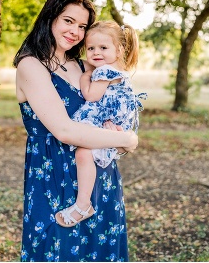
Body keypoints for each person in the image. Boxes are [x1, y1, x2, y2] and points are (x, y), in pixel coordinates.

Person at [15, 0, 138, 261]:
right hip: (53, 176)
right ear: (50, 18)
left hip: (98, 175)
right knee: (57, 250)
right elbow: (64, 130)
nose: (75, 31)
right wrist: (128, 140)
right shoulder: (31, 66)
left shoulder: (85, 66)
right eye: (68, 21)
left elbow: (115, 96)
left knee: (101, 250)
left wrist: (117, 128)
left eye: (82, 26)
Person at [55, 21, 144, 227]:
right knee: (86, 154)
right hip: (114, 122)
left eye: (103, 48)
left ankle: (83, 204)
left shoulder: (103, 72)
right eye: (91, 48)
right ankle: (84, 202)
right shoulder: (119, 70)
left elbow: (91, 95)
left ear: (119, 50)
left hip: (104, 122)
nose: (96, 53)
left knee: (82, 153)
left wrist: (86, 77)